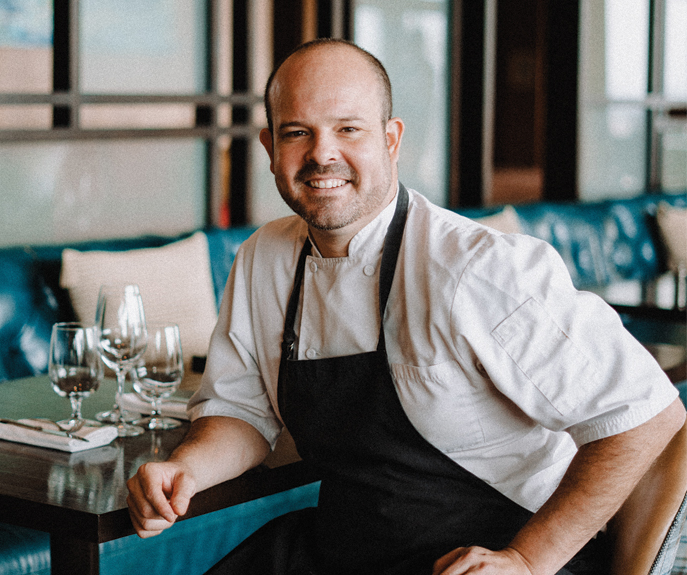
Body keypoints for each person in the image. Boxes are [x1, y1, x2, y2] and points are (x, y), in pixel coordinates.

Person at [127, 38, 686, 575]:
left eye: (348, 129)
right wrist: (186, 469)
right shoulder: (263, 259)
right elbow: (242, 414)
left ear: (391, 140)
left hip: (499, 551)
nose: (322, 153)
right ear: (271, 149)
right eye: (298, 132)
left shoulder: (476, 268)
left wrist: (527, 561)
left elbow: (642, 414)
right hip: (350, 548)